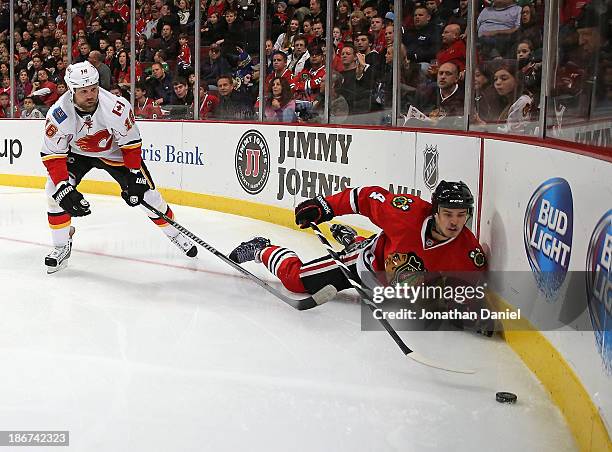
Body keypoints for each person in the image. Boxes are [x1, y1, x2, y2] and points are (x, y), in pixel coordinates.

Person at [41, 61, 197, 273]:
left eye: (93, 89)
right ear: (71, 90)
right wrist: (62, 187)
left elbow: (131, 144)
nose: (90, 95)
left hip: (115, 154)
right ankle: (61, 246)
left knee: (147, 196)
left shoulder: (116, 107)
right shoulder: (59, 114)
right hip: (77, 155)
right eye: (84, 91)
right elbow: (53, 155)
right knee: (54, 191)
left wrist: (134, 174)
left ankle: (177, 234)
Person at [229, 181, 486, 300]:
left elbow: (471, 292)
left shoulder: (468, 252)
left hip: (390, 279)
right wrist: (324, 207)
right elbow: (364, 197)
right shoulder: (406, 213)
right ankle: (260, 247)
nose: (454, 222)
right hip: (365, 264)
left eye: (461, 215)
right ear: (435, 211)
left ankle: (350, 238)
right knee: (296, 282)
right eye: (448, 214)